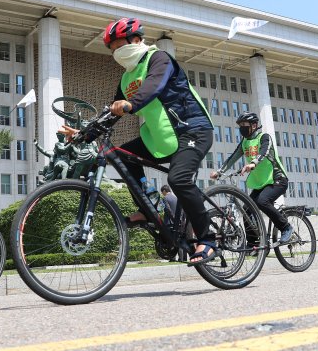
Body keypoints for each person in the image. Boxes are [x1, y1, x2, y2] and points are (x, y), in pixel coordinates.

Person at [60, 17, 216, 265]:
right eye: (112, 50)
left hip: (192, 131)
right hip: (160, 139)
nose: (116, 53)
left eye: (118, 46)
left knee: (178, 179)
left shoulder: (159, 59)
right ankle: (148, 208)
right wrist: (83, 134)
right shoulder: (126, 79)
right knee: (120, 156)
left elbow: (154, 85)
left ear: (136, 40)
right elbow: (111, 113)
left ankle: (207, 240)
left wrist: (131, 104)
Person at [210, 112, 293, 244]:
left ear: (254, 125)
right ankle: (254, 243)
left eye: (244, 125)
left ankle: (286, 227)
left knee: (262, 201)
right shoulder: (245, 142)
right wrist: (219, 172)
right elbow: (233, 157)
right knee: (247, 208)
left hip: (277, 180)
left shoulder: (264, 137)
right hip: (261, 184)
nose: (242, 128)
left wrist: (253, 162)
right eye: (240, 125)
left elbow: (264, 151)